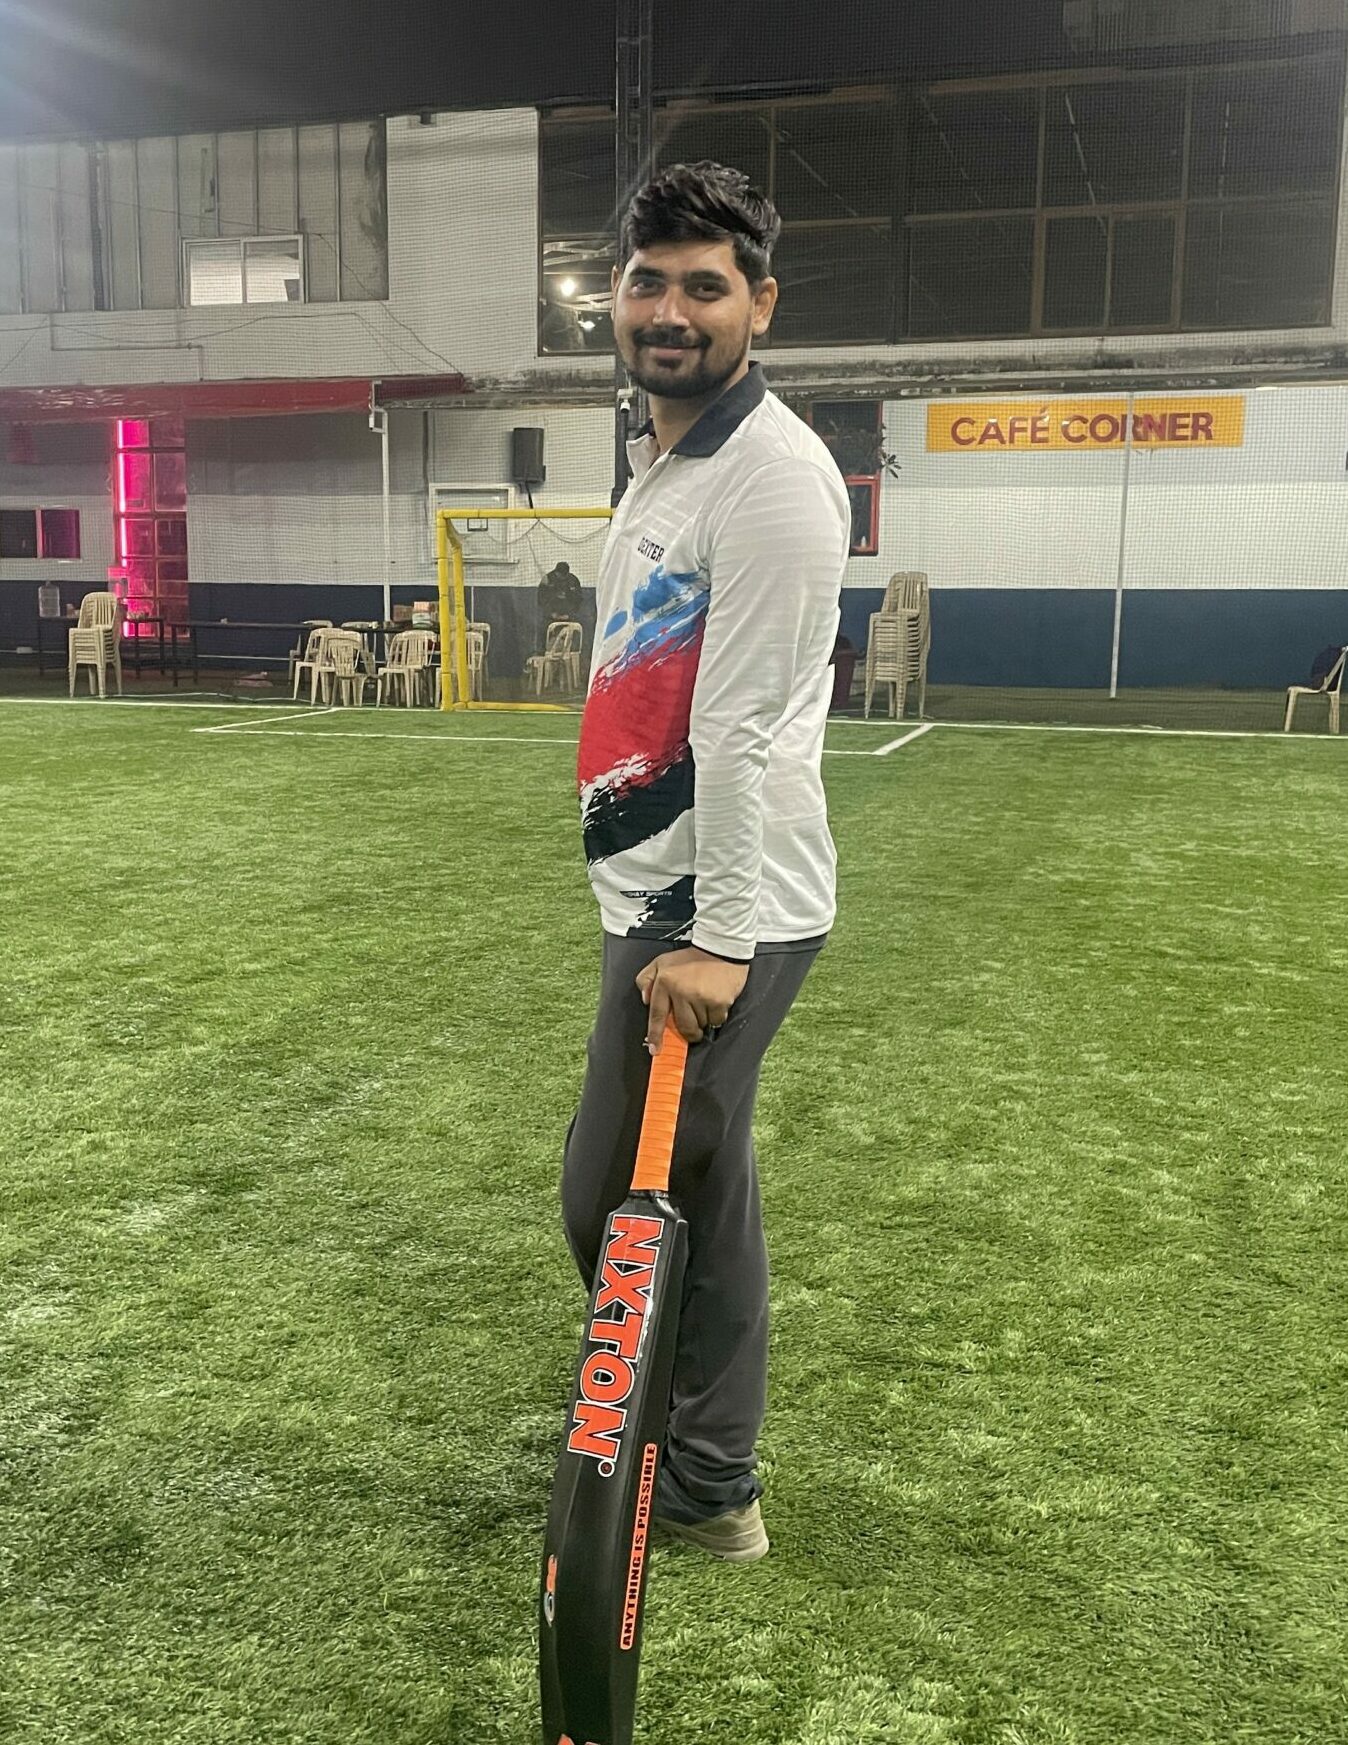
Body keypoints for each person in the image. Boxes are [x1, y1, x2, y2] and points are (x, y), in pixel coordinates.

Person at [562, 161, 851, 1563]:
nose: (669, 310)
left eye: (704, 286)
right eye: (647, 282)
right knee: (690, 1182)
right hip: (660, 888)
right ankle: (701, 1457)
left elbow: (741, 731)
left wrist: (719, 938)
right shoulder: (666, 457)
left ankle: (705, 1475)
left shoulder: (773, 480)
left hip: (718, 905)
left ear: (760, 305)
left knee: (624, 1192)